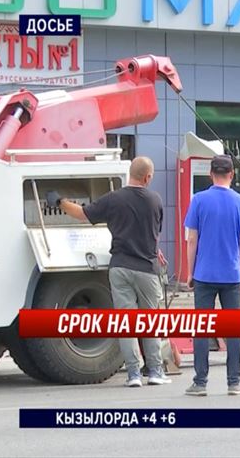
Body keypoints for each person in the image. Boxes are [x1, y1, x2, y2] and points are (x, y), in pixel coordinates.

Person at [46, 157, 170, 387]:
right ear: (148, 177)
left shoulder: (114, 199)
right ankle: (154, 371)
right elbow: (154, 231)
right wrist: (155, 250)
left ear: (130, 173)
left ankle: (133, 374)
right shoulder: (155, 200)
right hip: (147, 269)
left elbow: (83, 214)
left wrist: (59, 200)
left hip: (120, 267)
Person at [183, 155, 240, 397]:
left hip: (203, 274)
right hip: (231, 275)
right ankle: (234, 382)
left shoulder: (198, 201)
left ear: (211, 174)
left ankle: (200, 382)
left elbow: (192, 239)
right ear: (232, 174)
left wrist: (190, 272)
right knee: (233, 330)